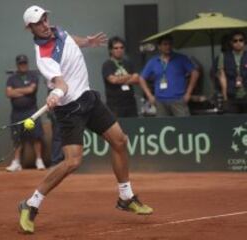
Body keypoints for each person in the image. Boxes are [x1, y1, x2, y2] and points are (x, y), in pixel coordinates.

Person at [18, 5, 153, 234]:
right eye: (38, 23)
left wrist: (87, 41)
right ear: (29, 28)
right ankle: (31, 204)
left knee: (120, 141)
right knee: (72, 162)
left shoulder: (57, 30)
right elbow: (61, 83)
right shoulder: (44, 57)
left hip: (89, 100)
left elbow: (70, 40)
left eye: (45, 18)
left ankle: (126, 197)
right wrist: (55, 94)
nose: (44, 24)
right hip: (69, 110)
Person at [140, 35, 199, 117]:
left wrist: (188, 93)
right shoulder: (153, 61)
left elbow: (195, 73)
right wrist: (149, 95)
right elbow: (142, 78)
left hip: (178, 99)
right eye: (165, 44)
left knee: (184, 126)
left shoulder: (181, 58)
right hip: (160, 101)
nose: (168, 46)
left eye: (170, 44)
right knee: (162, 126)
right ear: (159, 47)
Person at [5, 54, 46, 172]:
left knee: (36, 137)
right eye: (20, 64)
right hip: (17, 113)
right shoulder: (11, 78)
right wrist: (24, 91)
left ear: (27, 64)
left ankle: (39, 160)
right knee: (17, 138)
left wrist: (15, 91)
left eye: (24, 63)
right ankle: (16, 162)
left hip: (32, 112)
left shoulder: (33, 76)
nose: (23, 65)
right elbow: (8, 94)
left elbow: (31, 90)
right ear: (17, 65)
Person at [102, 36, 154, 117]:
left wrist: (120, 79)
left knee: (132, 127)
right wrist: (129, 76)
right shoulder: (107, 64)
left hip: (130, 104)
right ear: (111, 50)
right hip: (115, 105)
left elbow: (137, 79)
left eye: (121, 48)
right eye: (116, 48)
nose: (119, 50)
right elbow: (113, 80)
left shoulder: (127, 63)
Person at [218, 31, 247, 113]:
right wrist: (225, 98)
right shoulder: (223, 56)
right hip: (231, 95)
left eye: (241, 40)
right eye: (235, 40)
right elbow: (222, 77)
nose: (238, 42)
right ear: (231, 42)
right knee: (233, 122)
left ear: (244, 42)